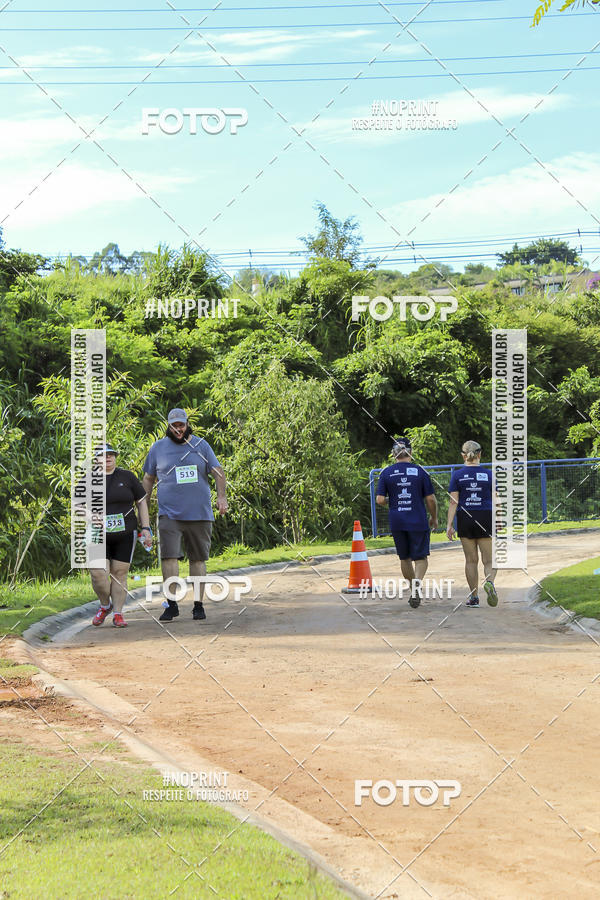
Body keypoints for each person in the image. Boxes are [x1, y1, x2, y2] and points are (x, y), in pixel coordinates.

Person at [142, 408, 227, 623]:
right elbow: (148, 478)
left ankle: (198, 606)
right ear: (169, 427)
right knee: (169, 558)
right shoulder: (158, 448)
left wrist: (221, 497)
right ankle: (172, 605)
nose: (178, 429)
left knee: (197, 560)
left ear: (187, 424)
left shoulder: (201, 445)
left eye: (181, 425)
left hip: (199, 513)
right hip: (169, 514)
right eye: (174, 425)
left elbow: (218, 472)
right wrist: (144, 506)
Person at [89, 444, 153, 628]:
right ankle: (105, 605)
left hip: (125, 532)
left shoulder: (127, 477)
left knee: (119, 573)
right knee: (98, 574)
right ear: (96, 460)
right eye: (103, 455)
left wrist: (146, 528)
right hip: (97, 533)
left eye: (111, 455)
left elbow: (141, 502)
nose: (108, 458)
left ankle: (118, 613)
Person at [376, 436, 438, 609]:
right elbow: (431, 499)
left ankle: (413, 589)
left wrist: (393, 500)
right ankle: (417, 585)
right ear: (410, 452)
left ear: (393, 454)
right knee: (421, 558)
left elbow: (380, 500)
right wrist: (434, 517)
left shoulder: (386, 473)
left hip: (397, 521)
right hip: (417, 520)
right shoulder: (420, 471)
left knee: (404, 558)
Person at [446, 440, 498, 608]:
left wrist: (449, 525)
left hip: (465, 518)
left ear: (463, 456)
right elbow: (496, 500)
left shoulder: (457, 475)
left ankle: (474, 598)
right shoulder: (489, 474)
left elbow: (453, 502)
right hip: (485, 517)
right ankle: (489, 581)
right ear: (480, 454)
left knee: (471, 560)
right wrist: (499, 520)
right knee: (489, 560)